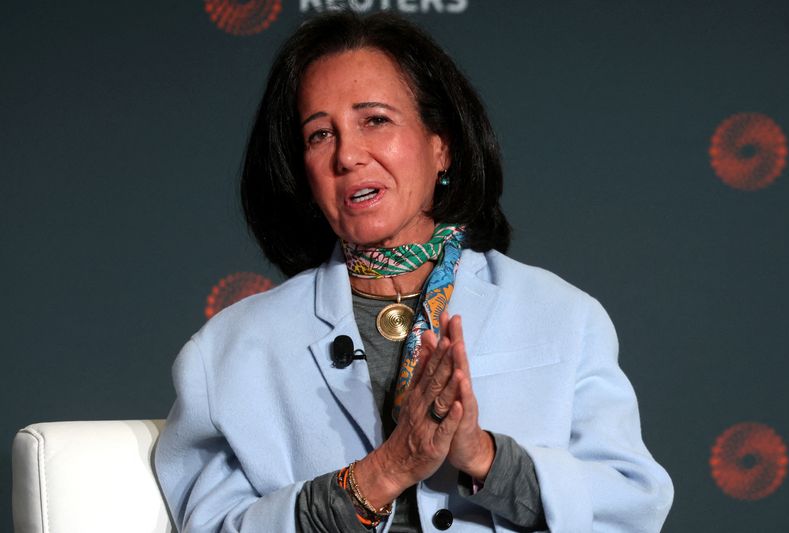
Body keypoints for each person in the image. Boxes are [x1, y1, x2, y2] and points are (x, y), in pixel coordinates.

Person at [155, 10, 673, 533]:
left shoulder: (563, 316)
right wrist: (388, 469)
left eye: (375, 120)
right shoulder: (227, 354)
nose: (348, 155)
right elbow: (214, 526)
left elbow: (631, 506)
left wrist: (485, 456)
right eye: (319, 135)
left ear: (440, 146)